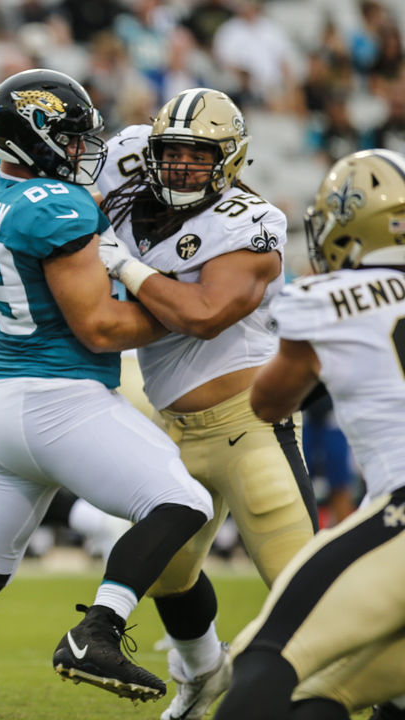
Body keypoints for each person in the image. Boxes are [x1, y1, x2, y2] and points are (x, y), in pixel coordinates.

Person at [0, 68, 214, 716]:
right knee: (183, 502)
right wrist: (185, 312)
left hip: (3, 405)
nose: (84, 149)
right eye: (71, 137)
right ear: (32, 138)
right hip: (63, 399)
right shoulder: (58, 207)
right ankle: (98, 632)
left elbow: (15, 268)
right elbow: (99, 327)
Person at [94, 87, 317, 720]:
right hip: (173, 426)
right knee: (169, 575)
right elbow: (58, 205)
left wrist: (125, 268)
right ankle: (202, 673)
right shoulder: (126, 174)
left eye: (199, 155)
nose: (182, 165)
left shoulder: (251, 220)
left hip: (250, 423)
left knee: (303, 586)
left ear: (230, 159)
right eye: (172, 151)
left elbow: (206, 313)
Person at [213, 148, 405, 720]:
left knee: (267, 657)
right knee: (334, 698)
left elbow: (268, 403)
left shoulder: (326, 301)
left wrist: (327, 369)